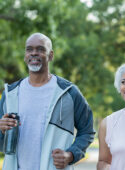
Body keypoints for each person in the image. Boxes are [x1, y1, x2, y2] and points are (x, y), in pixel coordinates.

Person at [0, 32, 95, 170]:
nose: (34, 53)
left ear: (51, 55)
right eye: (29, 49)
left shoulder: (69, 92)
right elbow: (3, 145)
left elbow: (87, 131)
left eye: (40, 49)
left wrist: (70, 155)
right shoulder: (10, 94)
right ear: (25, 56)